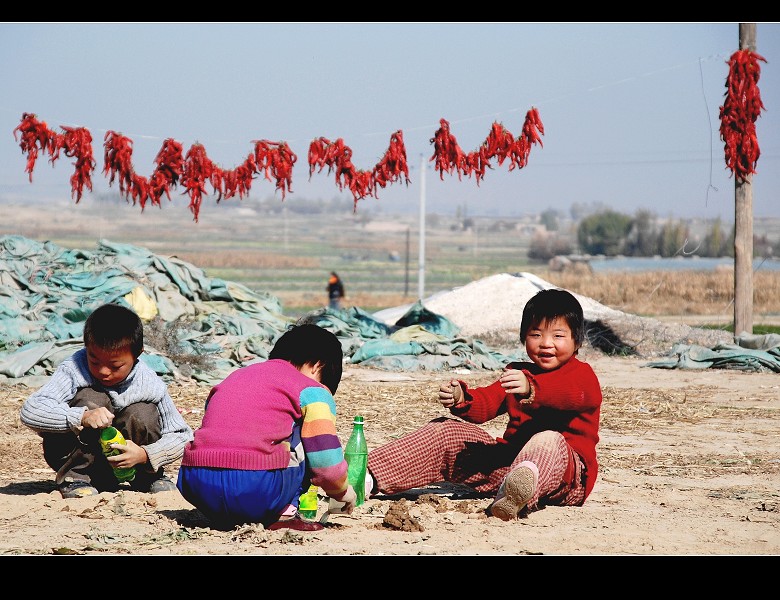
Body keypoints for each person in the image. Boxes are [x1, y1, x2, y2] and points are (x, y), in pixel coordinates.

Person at [365, 288, 602, 520]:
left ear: (577, 341)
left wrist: (532, 389)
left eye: (558, 336)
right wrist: (462, 398)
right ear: (523, 338)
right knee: (446, 431)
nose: (546, 343)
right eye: (536, 334)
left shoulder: (582, 376)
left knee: (547, 439)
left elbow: (571, 395)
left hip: (567, 479)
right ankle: (365, 476)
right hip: (509, 468)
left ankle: (517, 493)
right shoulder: (516, 373)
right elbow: (488, 402)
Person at [176, 322, 357, 532]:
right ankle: (285, 513)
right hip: (257, 487)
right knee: (312, 432)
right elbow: (326, 465)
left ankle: (230, 514)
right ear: (317, 366)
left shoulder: (236, 376)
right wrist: (342, 492)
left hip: (197, 485)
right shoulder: (311, 389)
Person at [20, 303, 194, 499]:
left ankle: (146, 478)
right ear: (86, 347)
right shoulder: (73, 369)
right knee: (91, 398)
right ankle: (77, 477)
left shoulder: (149, 383)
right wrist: (81, 417)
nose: (103, 371)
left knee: (143, 412)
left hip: (129, 463)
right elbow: (30, 411)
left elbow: (183, 436)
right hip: (81, 459)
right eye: (94, 361)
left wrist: (146, 455)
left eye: (115, 365)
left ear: (137, 354)